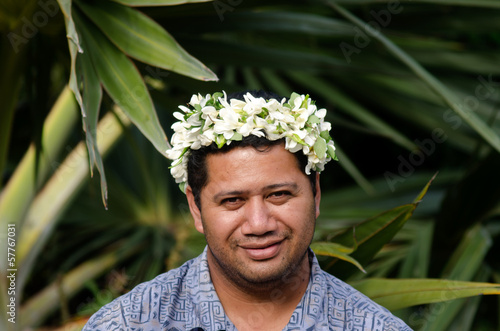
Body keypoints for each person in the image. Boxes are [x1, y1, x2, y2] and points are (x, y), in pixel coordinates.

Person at [83, 91, 411, 330]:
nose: (258, 224)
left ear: (316, 194)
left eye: (279, 194)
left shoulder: (373, 326)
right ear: (195, 208)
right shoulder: (128, 324)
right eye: (233, 201)